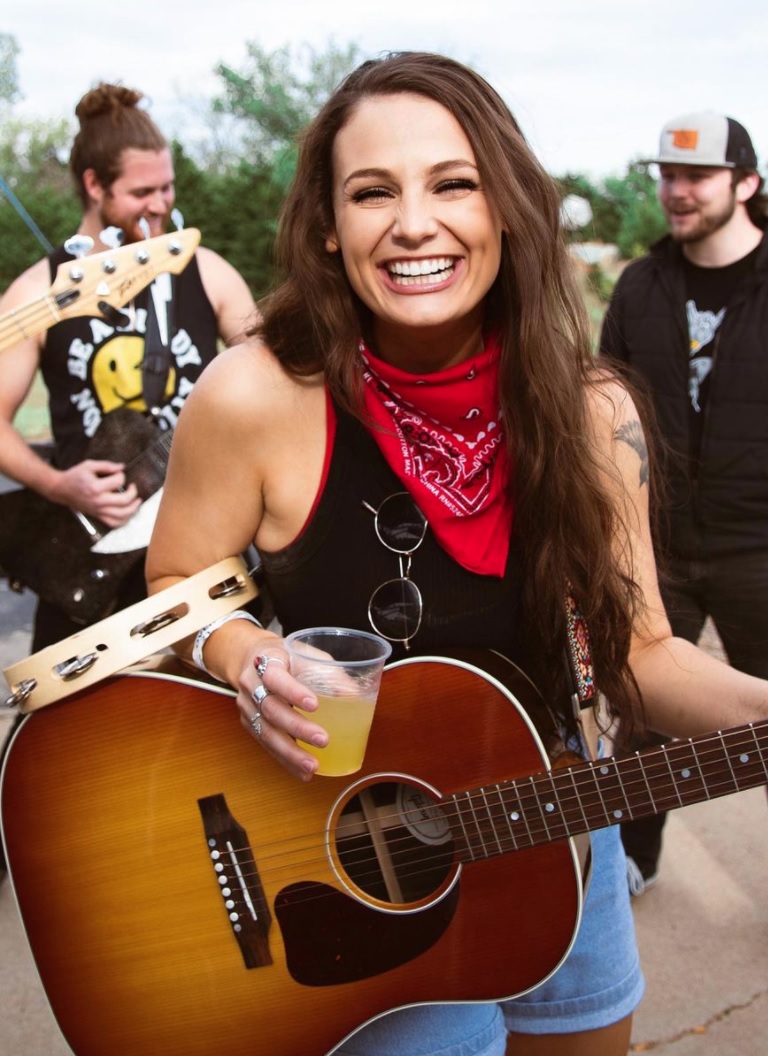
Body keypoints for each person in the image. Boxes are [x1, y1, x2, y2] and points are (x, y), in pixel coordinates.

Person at [146, 55, 768, 1056]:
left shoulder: (593, 409)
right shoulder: (251, 395)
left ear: (510, 208)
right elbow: (175, 584)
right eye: (372, 192)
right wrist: (240, 657)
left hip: (561, 821)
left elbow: (642, 656)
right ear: (327, 228)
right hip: (350, 855)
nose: (413, 222)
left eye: (453, 182)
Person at [0, 82, 256, 651]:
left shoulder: (205, 271)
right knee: (65, 736)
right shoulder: (38, 291)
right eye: (143, 191)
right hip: (91, 558)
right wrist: (58, 484)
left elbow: (274, 380)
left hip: (203, 556)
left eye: (167, 187)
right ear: (94, 185)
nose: (161, 204)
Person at [599, 111, 768, 896]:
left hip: (758, 549)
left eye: (696, 176)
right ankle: (633, 862)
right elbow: (601, 411)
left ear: (746, 183)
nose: (677, 190)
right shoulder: (640, 286)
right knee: (639, 718)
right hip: (657, 542)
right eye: (667, 174)